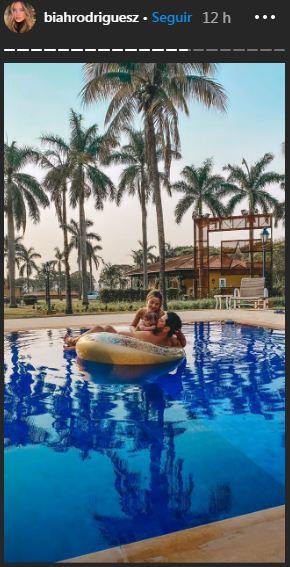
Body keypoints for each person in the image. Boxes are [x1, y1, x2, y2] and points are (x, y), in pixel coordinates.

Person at [64, 312, 184, 350]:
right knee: (103, 328)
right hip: (117, 335)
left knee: (100, 329)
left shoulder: (169, 341)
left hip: (119, 342)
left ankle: (73, 341)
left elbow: (181, 346)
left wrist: (178, 332)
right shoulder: (157, 331)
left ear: (167, 328)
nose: (158, 320)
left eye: (162, 320)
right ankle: (74, 342)